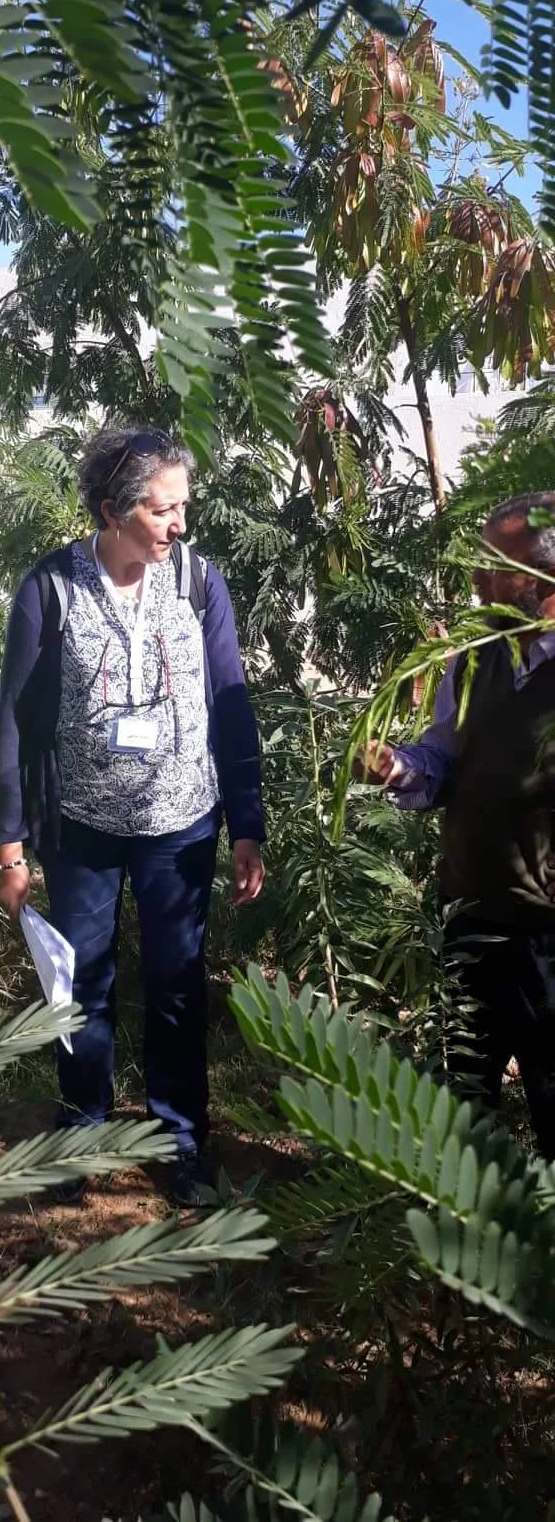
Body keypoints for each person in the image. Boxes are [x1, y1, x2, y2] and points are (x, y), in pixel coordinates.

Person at [0, 426, 265, 1206]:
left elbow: (231, 705)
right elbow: (14, 718)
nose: (180, 525)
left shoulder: (197, 581)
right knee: (79, 986)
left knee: (178, 984)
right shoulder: (52, 587)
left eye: (184, 507)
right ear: (113, 511)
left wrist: (247, 824)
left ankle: (180, 1140)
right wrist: (10, 845)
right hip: (82, 828)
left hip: (181, 825)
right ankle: (82, 1134)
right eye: (164, 509)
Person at [355, 491, 555, 1158]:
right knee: (462, 1108)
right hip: (470, 915)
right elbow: (442, 756)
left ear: (542, 579)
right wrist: (396, 768)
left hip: (546, 937)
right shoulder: (475, 659)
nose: (478, 580)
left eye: (496, 565)